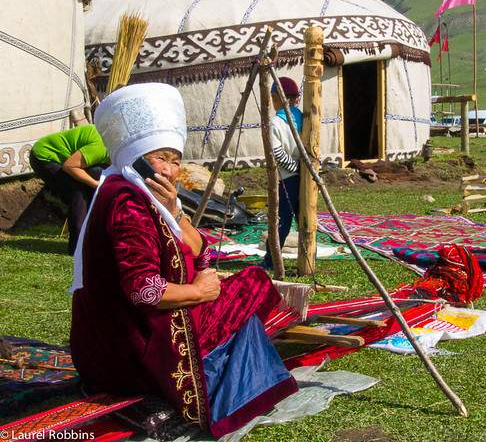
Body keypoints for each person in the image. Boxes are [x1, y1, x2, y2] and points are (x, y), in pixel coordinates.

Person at [69, 83, 297, 438]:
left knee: (244, 284)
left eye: (176, 160)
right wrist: (199, 291)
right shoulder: (128, 204)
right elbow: (145, 291)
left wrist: (176, 212)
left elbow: (201, 250)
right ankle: (224, 382)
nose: (172, 172)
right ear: (139, 156)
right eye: (161, 158)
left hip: (111, 349)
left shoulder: (136, 193)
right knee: (255, 282)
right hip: (135, 351)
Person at [29, 124, 110, 255]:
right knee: (78, 195)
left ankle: (92, 242)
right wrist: (96, 184)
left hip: (68, 159)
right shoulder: (102, 146)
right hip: (44, 155)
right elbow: (69, 166)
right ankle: (77, 250)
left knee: (91, 194)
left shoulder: (117, 151)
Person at [261, 77, 303, 271]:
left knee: (282, 222)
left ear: (274, 98)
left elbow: (276, 153)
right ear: (297, 99)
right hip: (306, 178)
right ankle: (310, 257)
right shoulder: (306, 120)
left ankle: (271, 261)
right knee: (305, 221)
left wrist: (294, 169)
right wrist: (307, 171)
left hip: (288, 179)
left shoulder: (276, 123)